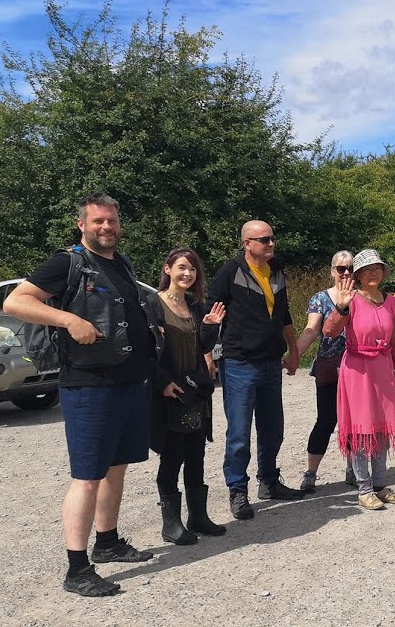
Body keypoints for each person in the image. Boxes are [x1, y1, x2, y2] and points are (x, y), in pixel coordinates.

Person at [3, 193, 161, 597]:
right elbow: (15, 301)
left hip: (126, 383)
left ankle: (107, 542)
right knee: (87, 477)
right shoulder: (66, 262)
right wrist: (69, 319)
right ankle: (77, 569)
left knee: (116, 468)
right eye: (98, 222)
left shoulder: (120, 263)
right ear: (82, 225)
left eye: (111, 221)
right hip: (89, 385)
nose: (106, 227)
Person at [208, 220, 305, 521]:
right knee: (238, 432)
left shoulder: (276, 271)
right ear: (247, 243)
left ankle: (269, 481)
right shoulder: (230, 272)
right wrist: (207, 354)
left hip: (270, 361)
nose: (270, 244)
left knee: (272, 427)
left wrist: (294, 348)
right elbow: (211, 314)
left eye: (272, 238)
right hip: (239, 362)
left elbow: (285, 313)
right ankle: (237, 490)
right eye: (263, 240)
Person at [146, 248, 228, 547]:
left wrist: (210, 328)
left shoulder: (195, 306)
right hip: (169, 392)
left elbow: (201, 347)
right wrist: (162, 382)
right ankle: (171, 525)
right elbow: (146, 349)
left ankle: (198, 517)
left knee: (196, 454)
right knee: (172, 457)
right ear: (167, 269)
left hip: (195, 390)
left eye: (192, 269)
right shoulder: (152, 304)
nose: (187, 274)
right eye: (181, 267)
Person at [323, 249, 395, 510]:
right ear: (358, 274)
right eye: (367, 269)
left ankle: (380, 484)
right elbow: (329, 331)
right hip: (357, 369)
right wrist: (341, 306)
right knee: (362, 429)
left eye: (377, 268)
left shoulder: (390, 301)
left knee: (383, 427)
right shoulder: (350, 299)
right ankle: (363, 488)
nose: (373, 272)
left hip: (383, 367)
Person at [292, 251, 355, 494]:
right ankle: (311, 472)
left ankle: (353, 467)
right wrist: (295, 355)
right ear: (332, 271)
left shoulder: (360, 298)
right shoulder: (320, 298)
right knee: (326, 420)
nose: (346, 272)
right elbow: (311, 329)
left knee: (353, 421)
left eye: (350, 267)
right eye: (341, 268)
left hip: (356, 368)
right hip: (328, 367)